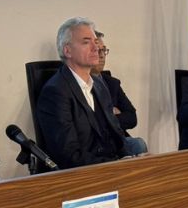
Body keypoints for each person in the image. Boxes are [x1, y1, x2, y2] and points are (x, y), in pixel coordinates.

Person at [36, 17, 127, 169]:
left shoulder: (99, 85)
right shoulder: (55, 92)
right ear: (67, 51)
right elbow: (69, 155)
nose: (96, 48)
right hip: (82, 174)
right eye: (86, 42)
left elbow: (116, 135)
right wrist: (115, 165)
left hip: (111, 167)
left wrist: (131, 159)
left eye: (95, 42)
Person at [91, 30, 148, 155]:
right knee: (138, 145)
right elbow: (93, 122)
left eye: (104, 50)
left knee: (139, 144)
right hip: (97, 143)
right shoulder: (82, 84)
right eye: (98, 51)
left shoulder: (112, 83)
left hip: (118, 139)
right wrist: (111, 113)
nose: (102, 56)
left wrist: (107, 117)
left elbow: (132, 118)